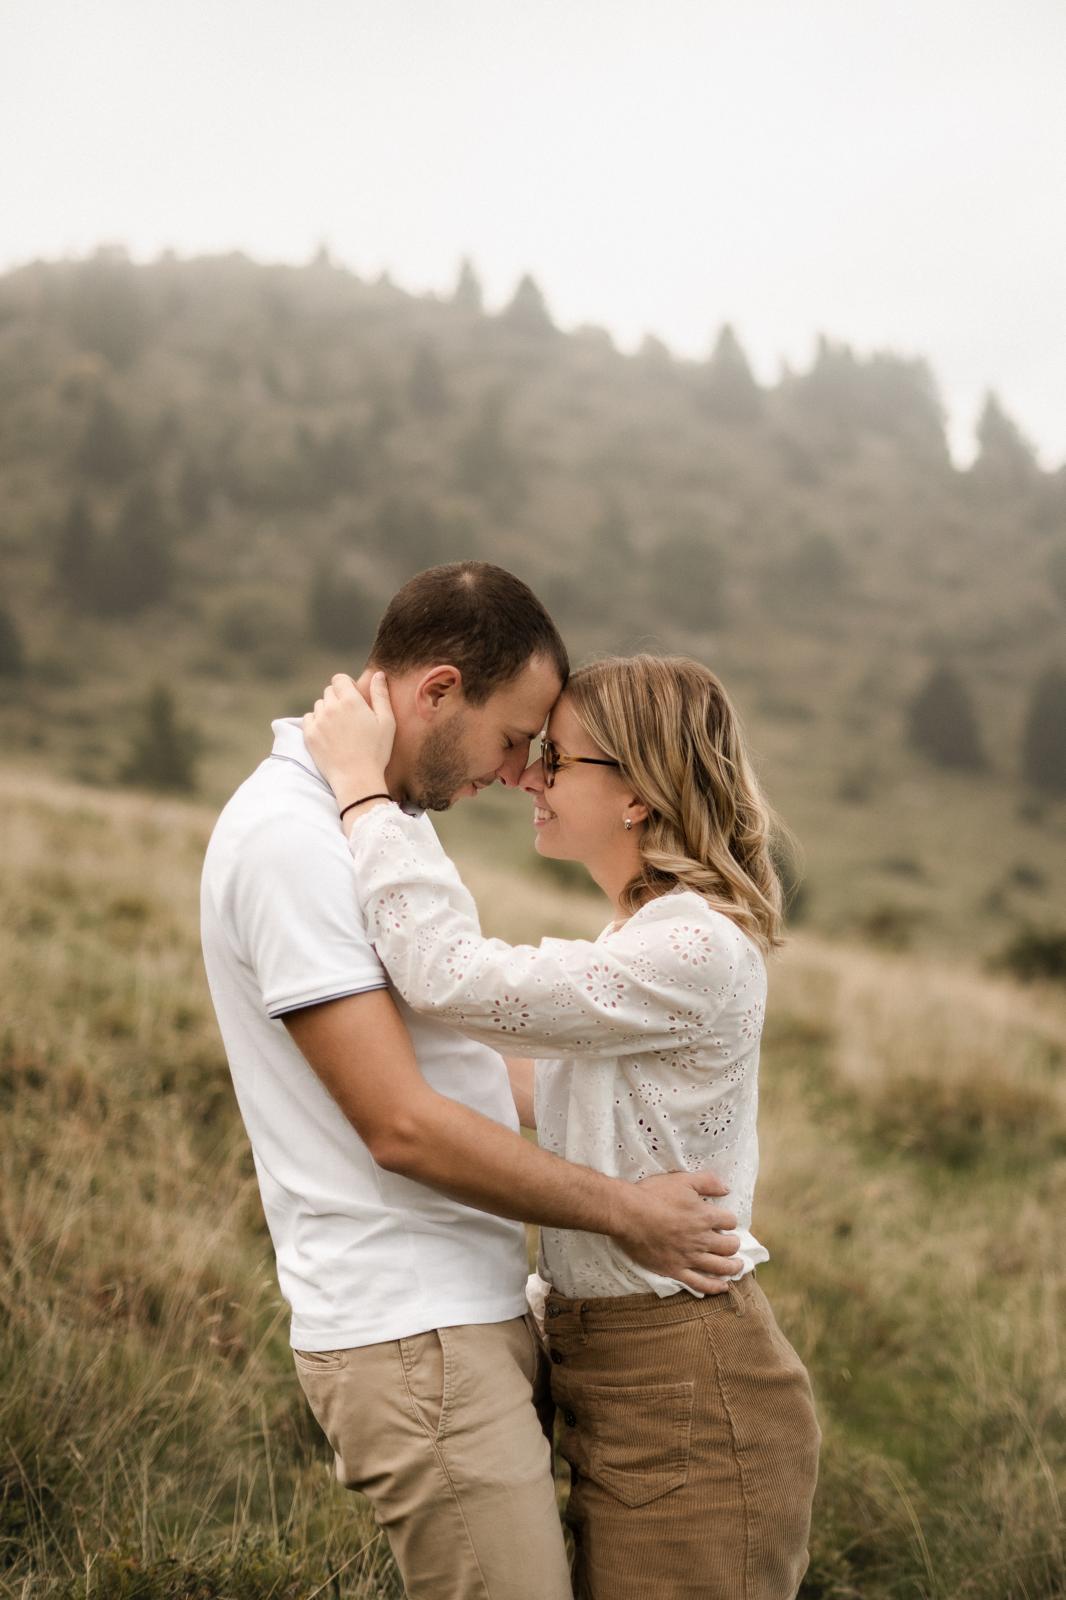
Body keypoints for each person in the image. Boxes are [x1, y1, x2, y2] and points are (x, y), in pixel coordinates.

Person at [200, 563, 744, 1600]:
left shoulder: (367, 825)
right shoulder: (293, 839)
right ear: (438, 690)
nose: (514, 773)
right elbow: (400, 1123)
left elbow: (450, 1058)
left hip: (459, 1310)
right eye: (512, 738)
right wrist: (630, 1214)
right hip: (412, 1328)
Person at [302, 651, 822, 1600]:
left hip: (689, 1387)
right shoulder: (645, 938)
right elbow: (558, 1096)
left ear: (638, 791)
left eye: (558, 758)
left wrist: (362, 796)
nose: (528, 778)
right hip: (619, 1364)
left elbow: (455, 975)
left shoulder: (692, 943)